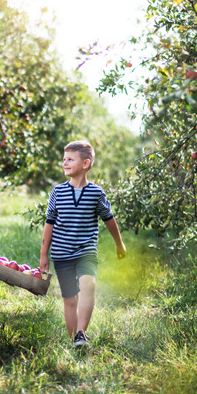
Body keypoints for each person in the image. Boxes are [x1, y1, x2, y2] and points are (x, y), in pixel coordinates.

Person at [39, 140, 127, 347]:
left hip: (86, 250)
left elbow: (109, 219)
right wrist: (44, 255)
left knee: (88, 285)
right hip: (61, 254)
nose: (65, 163)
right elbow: (49, 224)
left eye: (70, 159)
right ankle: (74, 342)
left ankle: (81, 333)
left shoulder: (96, 193)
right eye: (64, 159)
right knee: (70, 300)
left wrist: (119, 244)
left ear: (85, 163)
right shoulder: (57, 193)